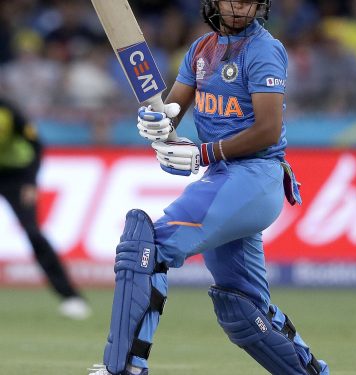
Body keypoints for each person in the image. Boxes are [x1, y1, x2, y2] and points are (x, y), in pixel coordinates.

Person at [88, 1, 328, 374]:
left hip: (254, 177)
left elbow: (266, 130)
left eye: (248, 0)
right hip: (224, 180)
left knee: (145, 247)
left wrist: (202, 153)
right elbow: (172, 110)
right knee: (242, 307)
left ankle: (123, 368)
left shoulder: (263, 49)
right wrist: (159, 126)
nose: (239, 7)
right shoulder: (201, 50)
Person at [0, 96, 91, 320]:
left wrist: (30, 182)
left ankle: (71, 296)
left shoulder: (8, 110)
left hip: (17, 175)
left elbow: (36, 145)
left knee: (33, 232)